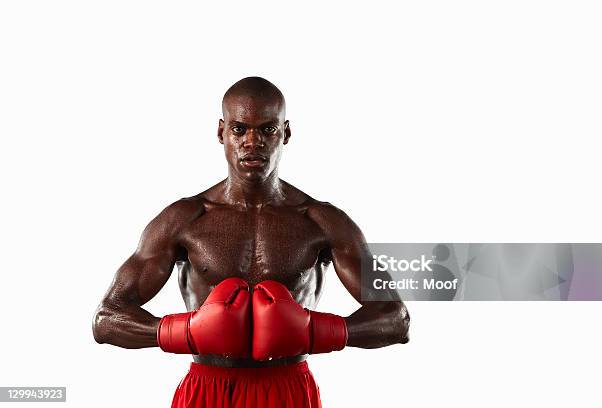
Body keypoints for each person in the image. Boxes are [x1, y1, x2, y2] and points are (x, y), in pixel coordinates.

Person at [92, 77, 410, 407]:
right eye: (240, 129)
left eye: (267, 130)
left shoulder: (322, 222)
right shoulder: (183, 219)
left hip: (287, 391)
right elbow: (107, 320)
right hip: (208, 391)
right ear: (221, 132)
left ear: (285, 133)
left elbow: (396, 319)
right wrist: (185, 332)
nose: (252, 142)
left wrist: (315, 332)